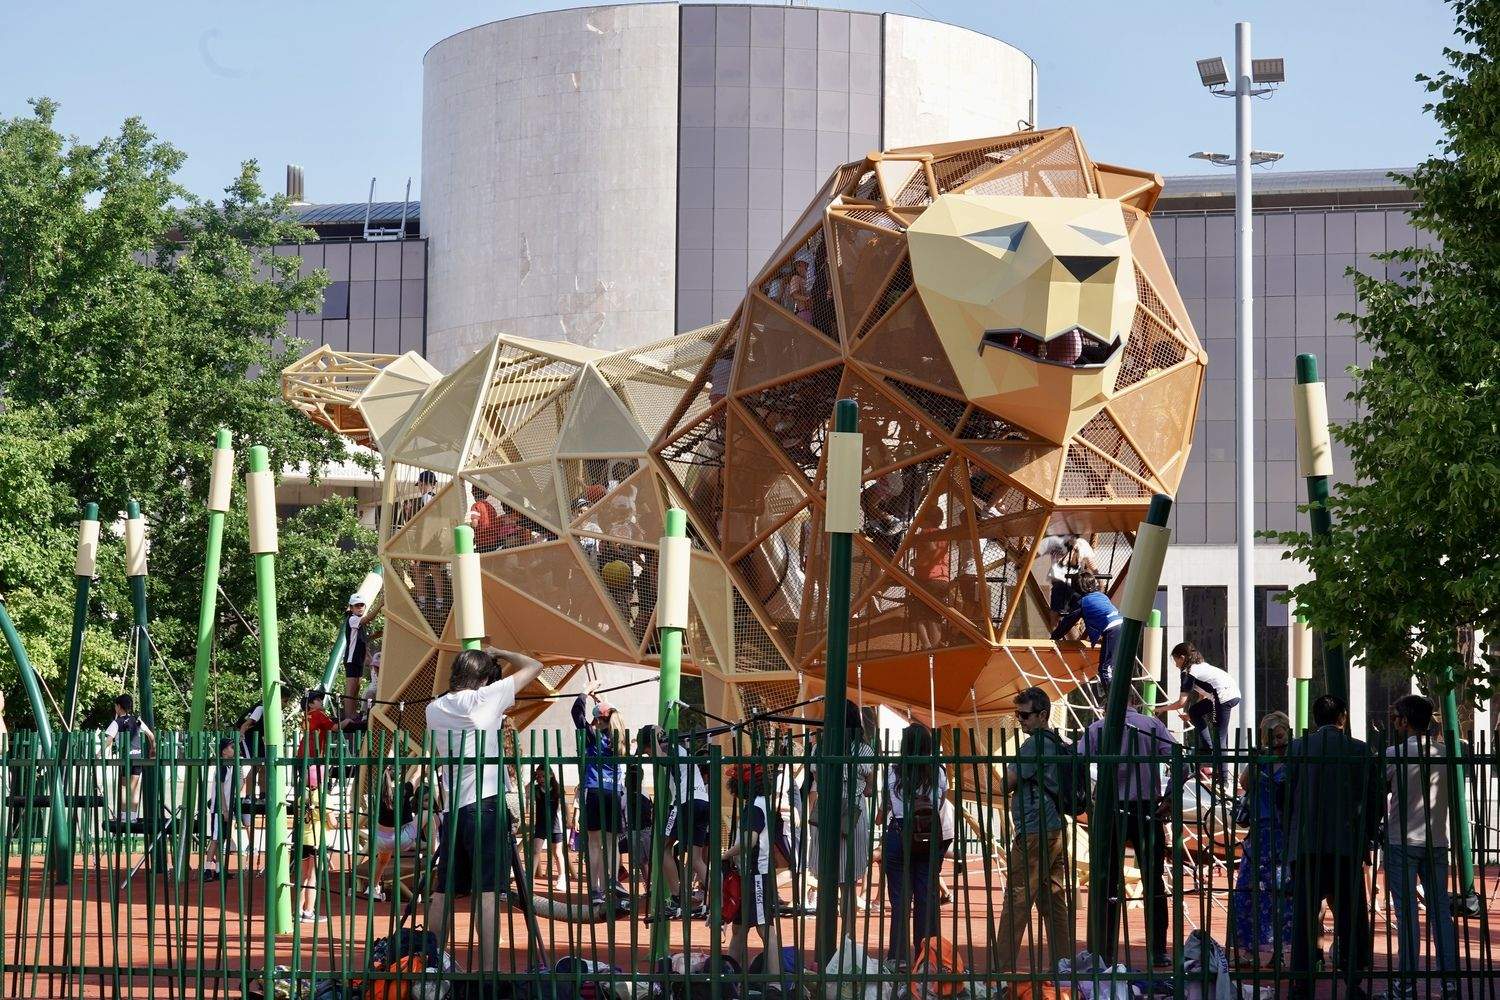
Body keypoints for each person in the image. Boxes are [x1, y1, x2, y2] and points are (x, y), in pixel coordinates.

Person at [424, 646, 546, 966]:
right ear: (482, 679)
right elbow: (534, 664)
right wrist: (502, 653)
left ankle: (430, 962)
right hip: (486, 803)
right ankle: (489, 971)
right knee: (489, 892)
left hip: (453, 809)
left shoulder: (433, 709)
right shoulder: (483, 698)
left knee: (444, 890)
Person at [1285, 695, 1383, 1000]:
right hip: (1345, 845)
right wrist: (1366, 833)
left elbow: (1287, 796)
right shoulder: (1359, 749)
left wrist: (1290, 835)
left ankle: (1302, 979)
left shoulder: (1298, 748)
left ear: (1315, 719)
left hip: (1306, 845)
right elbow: (1374, 799)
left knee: (1304, 915)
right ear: (1342, 716)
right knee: (1351, 916)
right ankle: (1353, 977)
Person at [1081, 688, 1179, 968]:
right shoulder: (1152, 725)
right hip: (1147, 808)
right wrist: (1170, 796)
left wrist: (1088, 800)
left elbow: (1076, 761)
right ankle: (1158, 949)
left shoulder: (1098, 728)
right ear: (1135, 700)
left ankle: (1105, 950)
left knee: (1108, 880)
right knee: (1154, 881)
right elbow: (1178, 760)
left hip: (1111, 808)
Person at [992, 688, 1075, 973]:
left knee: (1016, 898)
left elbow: (1006, 783)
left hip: (1034, 830)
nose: (1021, 721)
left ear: (1042, 715)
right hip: (1054, 828)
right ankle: (1063, 965)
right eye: (1018, 715)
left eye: (1025, 715)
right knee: (1053, 899)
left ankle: (1001, 969)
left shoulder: (1035, 744)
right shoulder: (1056, 741)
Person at [1383, 694, 1459, 1000]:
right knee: (1440, 910)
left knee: (1407, 914)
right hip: (1436, 840)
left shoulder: (1393, 754)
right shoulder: (1444, 754)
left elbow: (1381, 789)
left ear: (1404, 720)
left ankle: (1406, 983)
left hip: (1401, 839)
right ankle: (1450, 982)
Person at [880, 723, 947, 967]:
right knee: (926, 897)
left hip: (898, 832)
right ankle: (925, 955)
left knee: (899, 899)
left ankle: (898, 957)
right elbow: (940, 803)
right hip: (926, 835)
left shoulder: (894, 771)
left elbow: (886, 803)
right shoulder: (937, 771)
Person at [1230, 711, 1293, 967]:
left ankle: (1281, 952)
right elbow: (1244, 784)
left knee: (1283, 893)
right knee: (1248, 890)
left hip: (1285, 832)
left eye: (1280, 736)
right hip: (1260, 831)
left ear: (1288, 732)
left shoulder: (1295, 760)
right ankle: (1248, 949)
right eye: (1271, 737)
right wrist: (1255, 762)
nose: (1277, 742)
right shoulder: (1262, 760)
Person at [806, 701, 877, 923]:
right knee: (848, 886)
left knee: (827, 881)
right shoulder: (864, 749)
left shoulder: (820, 747)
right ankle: (849, 939)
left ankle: (824, 941)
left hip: (827, 809)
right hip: (853, 813)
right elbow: (869, 789)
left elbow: (817, 781)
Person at [645, 725, 711, 919]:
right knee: (696, 858)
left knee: (662, 848)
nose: (649, 757)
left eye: (647, 752)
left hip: (685, 803)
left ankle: (675, 900)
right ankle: (718, 898)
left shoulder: (670, 748)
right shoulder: (680, 749)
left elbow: (660, 758)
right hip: (702, 802)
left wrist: (654, 736)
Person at [572, 681, 628, 909]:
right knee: (611, 843)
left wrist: (585, 691)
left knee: (594, 845)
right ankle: (612, 883)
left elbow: (576, 712)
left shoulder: (592, 737)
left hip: (594, 791)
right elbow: (611, 714)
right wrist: (600, 702)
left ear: (597, 720)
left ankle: (595, 890)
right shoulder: (620, 737)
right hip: (613, 793)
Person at [724, 763, 781, 970]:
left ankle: (775, 981)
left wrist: (726, 854)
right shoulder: (764, 803)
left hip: (757, 874)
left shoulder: (755, 807)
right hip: (752, 873)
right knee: (739, 929)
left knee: (765, 930)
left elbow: (749, 841)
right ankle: (733, 975)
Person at [1162, 642, 1242, 775]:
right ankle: (1209, 750)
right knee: (1194, 711)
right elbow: (1202, 696)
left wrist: (1161, 709)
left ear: (1182, 658)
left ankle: (1223, 776)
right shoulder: (1201, 666)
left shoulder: (1188, 671)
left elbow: (1181, 702)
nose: (1176, 665)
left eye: (1176, 661)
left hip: (1222, 696)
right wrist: (1191, 715)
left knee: (1219, 736)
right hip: (1229, 694)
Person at [360, 769, 424, 903]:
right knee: (431, 815)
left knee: (383, 860)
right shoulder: (403, 790)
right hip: (401, 839)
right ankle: (432, 847)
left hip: (381, 840)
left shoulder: (377, 794)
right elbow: (416, 776)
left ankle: (373, 887)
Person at [1048, 571, 1121, 685]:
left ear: (1076, 588)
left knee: (1104, 669)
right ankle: (1117, 696)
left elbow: (1068, 622)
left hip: (1111, 629)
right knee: (1113, 666)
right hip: (1121, 625)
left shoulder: (1083, 602)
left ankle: (1113, 702)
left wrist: (1054, 637)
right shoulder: (1102, 596)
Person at [104, 694, 155, 821]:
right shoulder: (137, 721)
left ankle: (123, 816)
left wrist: (98, 754)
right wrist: (152, 749)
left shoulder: (116, 723)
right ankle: (132, 817)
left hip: (125, 758)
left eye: (115, 705)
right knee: (135, 788)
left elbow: (108, 740)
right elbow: (151, 735)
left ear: (118, 706)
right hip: (137, 756)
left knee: (124, 788)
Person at [203, 738, 247, 883]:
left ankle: (219, 870)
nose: (234, 749)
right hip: (219, 809)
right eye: (231, 747)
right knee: (215, 839)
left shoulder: (231, 766)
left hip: (227, 807)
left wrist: (240, 772)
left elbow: (238, 787)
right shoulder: (222, 766)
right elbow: (220, 789)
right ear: (224, 751)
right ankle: (207, 869)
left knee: (221, 840)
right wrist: (225, 810)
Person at [528, 765, 572, 892]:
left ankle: (562, 877)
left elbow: (565, 805)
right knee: (536, 850)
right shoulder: (536, 789)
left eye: (543, 775)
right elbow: (526, 792)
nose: (541, 778)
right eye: (539, 776)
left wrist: (568, 819)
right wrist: (532, 780)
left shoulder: (557, 789)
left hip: (555, 824)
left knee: (557, 852)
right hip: (541, 824)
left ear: (551, 775)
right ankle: (530, 879)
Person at [297, 689, 350, 792]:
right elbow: (335, 727)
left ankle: (306, 803)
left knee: (306, 785)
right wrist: (347, 721)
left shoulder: (306, 715)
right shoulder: (318, 714)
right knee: (314, 784)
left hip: (303, 752)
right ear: (311, 704)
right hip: (314, 753)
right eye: (317, 699)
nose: (321, 701)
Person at [298, 796, 340, 922]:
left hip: (302, 839)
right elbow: (332, 823)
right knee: (313, 877)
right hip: (316, 839)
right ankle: (309, 912)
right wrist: (339, 823)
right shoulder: (324, 798)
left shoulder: (302, 796)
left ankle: (298, 910)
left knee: (303, 876)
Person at [1035, 534, 1096, 616]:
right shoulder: (1054, 541)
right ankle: (1058, 626)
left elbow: (1091, 563)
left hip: (1076, 584)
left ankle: (1060, 626)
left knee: (1069, 614)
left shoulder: (1082, 543)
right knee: (1058, 613)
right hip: (1062, 582)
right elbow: (1036, 553)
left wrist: (1100, 582)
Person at [342, 594, 371, 722]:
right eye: (356, 606)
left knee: (357, 687)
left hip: (358, 659)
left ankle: (353, 713)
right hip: (351, 658)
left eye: (361, 605)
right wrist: (380, 605)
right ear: (351, 608)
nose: (359, 608)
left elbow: (362, 640)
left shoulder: (360, 623)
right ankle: (348, 715)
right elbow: (367, 619)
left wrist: (376, 635)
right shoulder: (353, 619)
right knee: (351, 688)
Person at [468, 485, 503, 552]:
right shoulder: (490, 507)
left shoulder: (475, 506)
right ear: (487, 494)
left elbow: (475, 523)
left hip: (482, 542)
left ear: (473, 493)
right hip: (494, 540)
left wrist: (469, 525)